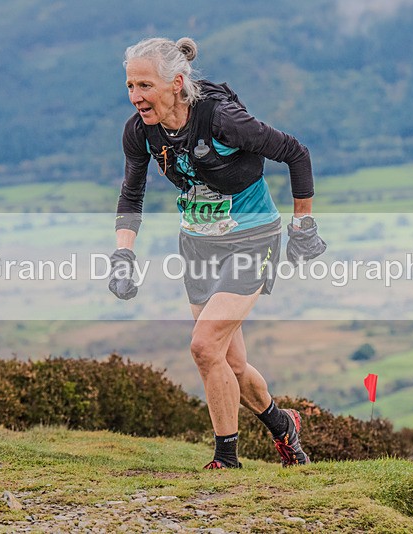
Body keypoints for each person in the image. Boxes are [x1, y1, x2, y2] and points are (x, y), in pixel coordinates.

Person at [109, 37, 326, 469]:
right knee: (232, 362)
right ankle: (284, 427)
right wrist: (123, 256)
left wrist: (303, 225)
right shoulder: (140, 132)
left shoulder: (221, 119)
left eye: (145, 86)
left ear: (176, 83)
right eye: (131, 86)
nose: (136, 97)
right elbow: (131, 194)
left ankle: (226, 460)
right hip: (197, 244)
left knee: (204, 345)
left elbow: (295, 153)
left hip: (252, 238)